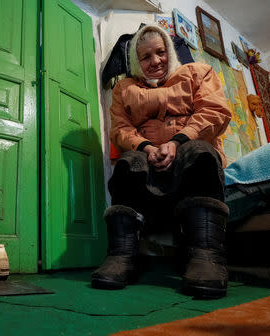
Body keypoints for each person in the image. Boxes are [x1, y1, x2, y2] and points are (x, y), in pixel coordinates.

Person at [91, 24, 232, 299]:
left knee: (201, 154)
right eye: (145, 57)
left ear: (170, 50)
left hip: (189, 153)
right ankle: (121, 256)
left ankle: (206, 257)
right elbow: (120, 129)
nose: (155, 61)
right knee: (128, 164)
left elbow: (215, 113)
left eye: (160, 52)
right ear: (135, 62)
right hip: (148, 159)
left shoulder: (198, 72)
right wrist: (146, 146)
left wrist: (175, 140)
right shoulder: (124, 87)